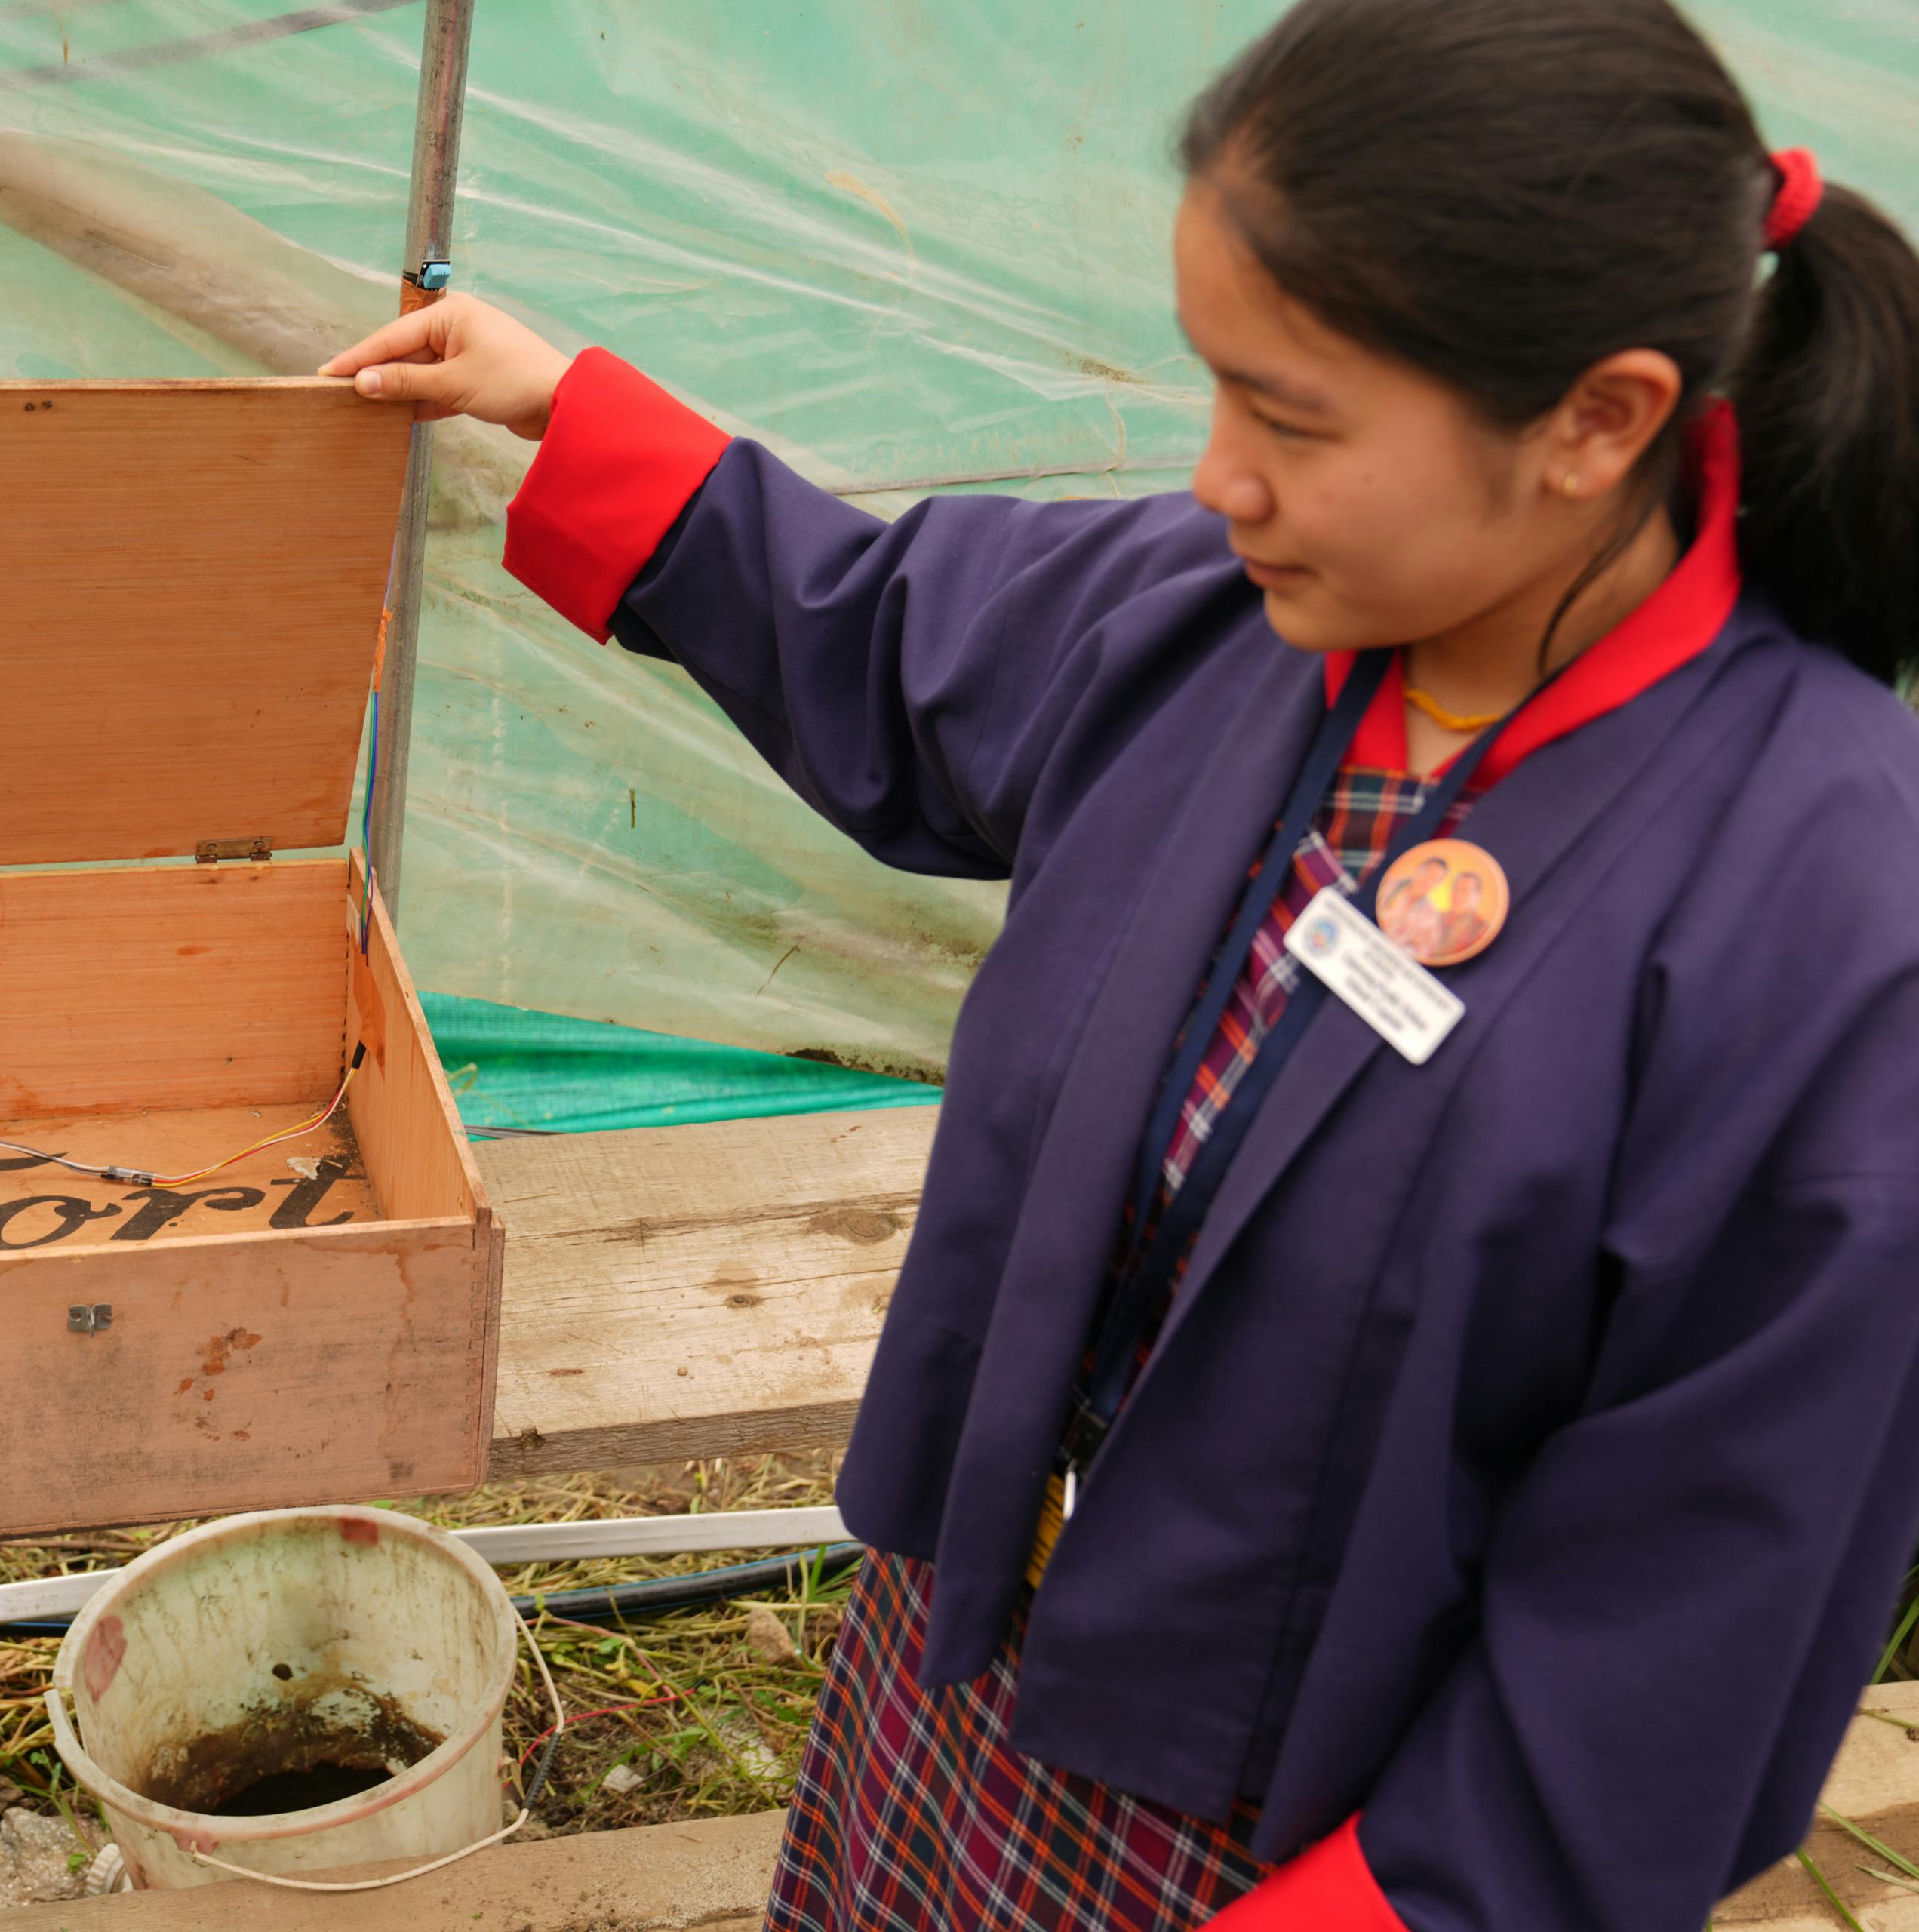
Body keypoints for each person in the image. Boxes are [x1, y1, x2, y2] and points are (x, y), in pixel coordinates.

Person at [321, 0, 1919, 1925]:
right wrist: (562, 405)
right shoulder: (1218, 621)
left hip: (1308, 1838)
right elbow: (887, 628)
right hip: (965, 1676)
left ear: (1600, 419)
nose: (1221, 476)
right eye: (1218, 389)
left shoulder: (1835, 929)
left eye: (1294, 419)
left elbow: (1693, 1606)